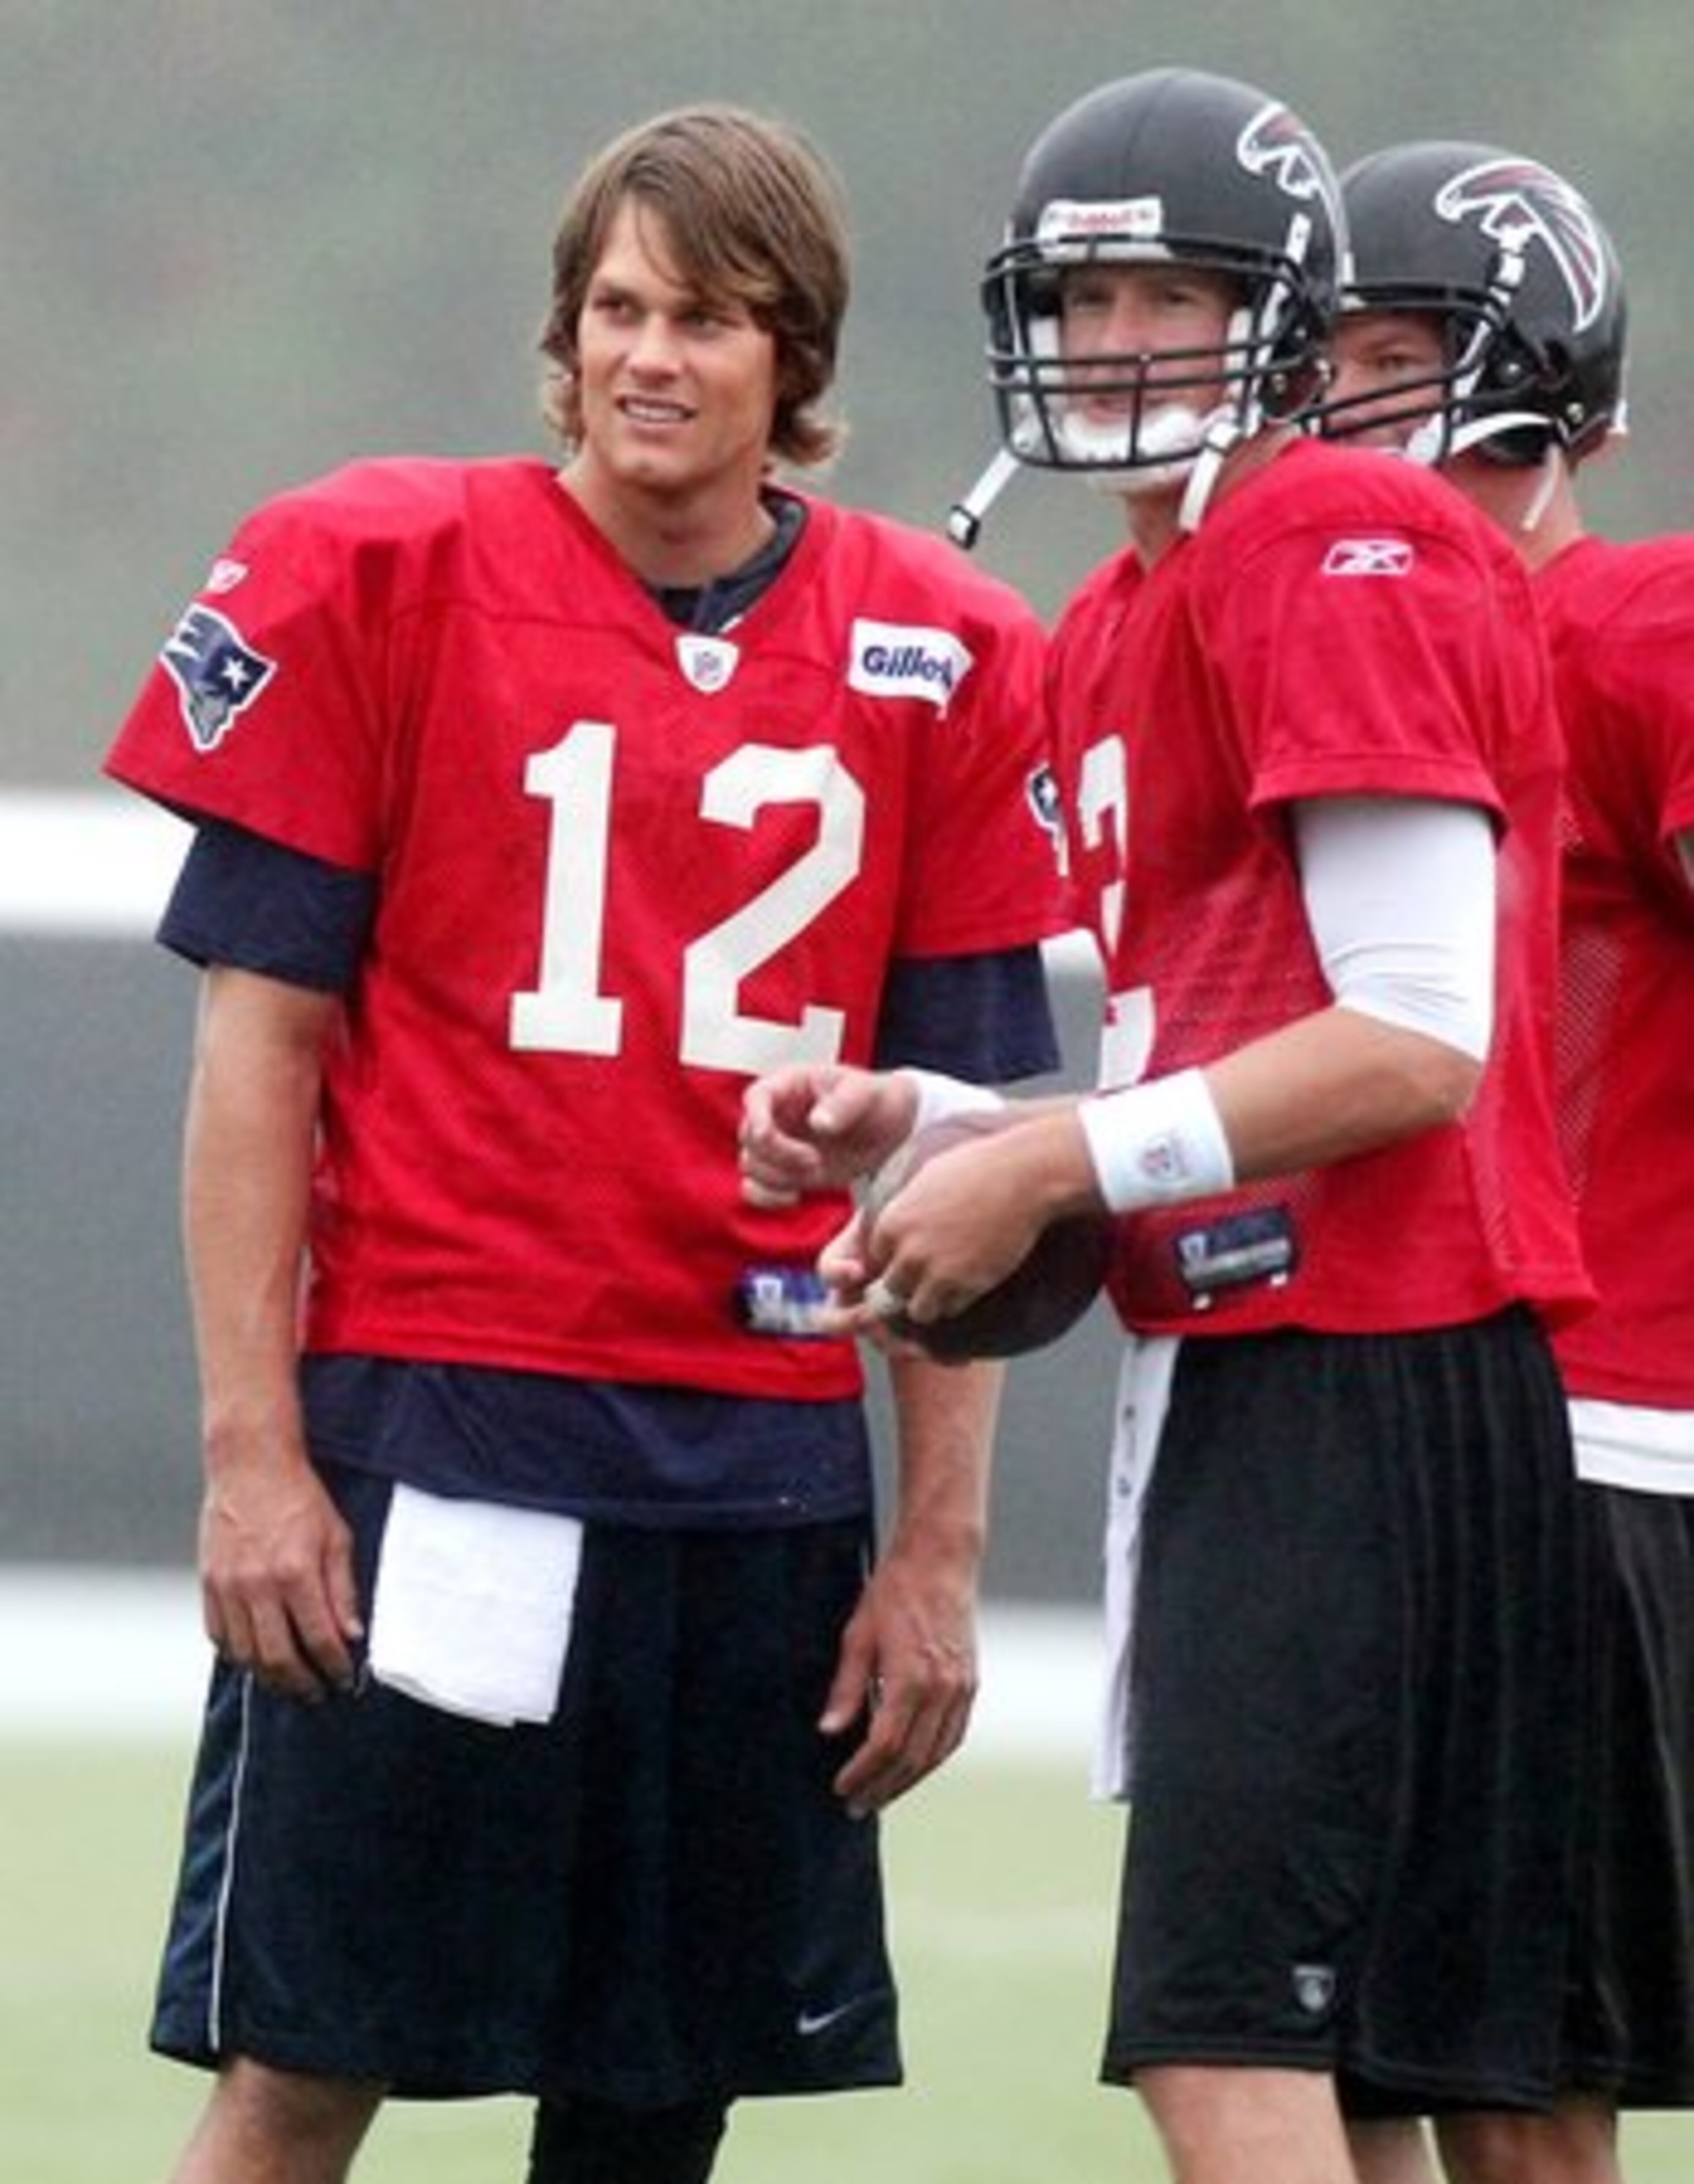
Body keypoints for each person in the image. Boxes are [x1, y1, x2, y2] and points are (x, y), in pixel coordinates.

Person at [103, 103, 1066, 2184]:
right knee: (304, 2058)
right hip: (442, 1440)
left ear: (790, 356)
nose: (650, 353)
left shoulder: (942, 651)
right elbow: (259, 1051)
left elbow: (968, 1171)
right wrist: (254, 1453)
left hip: (756, 1471)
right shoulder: (386, 567)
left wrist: (937, 1551)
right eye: (617, 306)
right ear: (563, 332)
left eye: (706, 315)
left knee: (654, 2098)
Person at [738, 67, 1594, 2184]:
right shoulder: (1118, 617)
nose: (1123, 344)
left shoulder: (1332, 529)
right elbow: (1206, 1045)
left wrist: (1044, 1163)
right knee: (1357, 2069)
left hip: (1376, 1366)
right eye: (1089, 295)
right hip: (1275, 1369)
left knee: (1227, 2037)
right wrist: (934, 1115)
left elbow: (1418, 1034)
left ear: (1290, 315)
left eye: (1176, 290)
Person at [1324, 138, 1694, 2184]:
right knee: (1325, 2049)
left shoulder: (1635, 626)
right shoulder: (1298, 633)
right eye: (1330, 356)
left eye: (1402, 355)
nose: (1356, 403)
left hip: (1591, 1424)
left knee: (1522, 2080)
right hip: (1350, 1409)